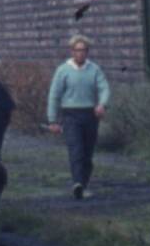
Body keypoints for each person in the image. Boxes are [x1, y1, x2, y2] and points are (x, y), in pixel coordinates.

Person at [46, 32, 111, 199]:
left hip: (89, 114)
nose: (80, 53)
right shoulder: (63, 70)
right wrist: (52, 120)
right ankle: (78, 183)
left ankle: (84, 183)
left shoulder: (94, 69)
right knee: (76, 150)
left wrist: (102, 104)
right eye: (77, 50)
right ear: (72, 51)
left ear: (87, 52)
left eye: (84, 50)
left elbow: (104, 88)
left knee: (87, 153)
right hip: (70, 115)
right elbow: (54, 95)